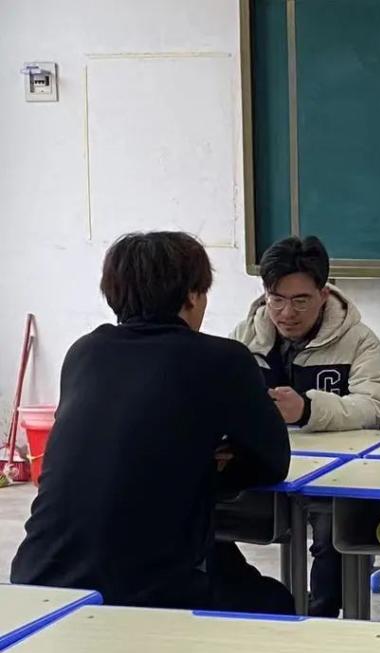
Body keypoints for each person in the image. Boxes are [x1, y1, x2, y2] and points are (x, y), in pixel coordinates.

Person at [11, 231, 293, 614]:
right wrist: (211, 465)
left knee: (218, 558)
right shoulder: (223, 359)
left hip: (38, 580)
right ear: (192, 295)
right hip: (144, 594)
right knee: (277, 605)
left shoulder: (84, 353)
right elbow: (273, 462)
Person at [231, 235, 380, 617]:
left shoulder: (359, 341)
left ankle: (322, 618)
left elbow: (373, 407)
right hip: (262, 466)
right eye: (276, 299)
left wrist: (307, 410)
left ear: (323, 294)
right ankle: (259, 612)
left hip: (334, 473)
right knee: (200, 511)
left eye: (300, 300)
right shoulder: (245, 338)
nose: (287, 312)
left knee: (334, 531)